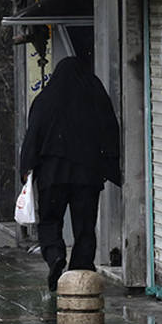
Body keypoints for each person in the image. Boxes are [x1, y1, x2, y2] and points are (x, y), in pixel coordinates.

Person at [17, 55, 121, 291]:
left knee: (50, 219)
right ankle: (81, 270)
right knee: (85, 226)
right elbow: (110, 130)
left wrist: (26, 168)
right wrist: (110, 164)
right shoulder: (94, 95)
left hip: (52, 175)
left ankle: (55, 255)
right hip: (87, 176)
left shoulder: (45, 99)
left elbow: (33, 135)